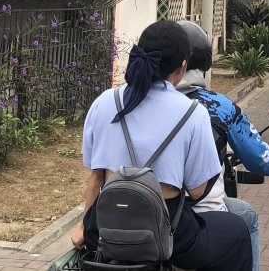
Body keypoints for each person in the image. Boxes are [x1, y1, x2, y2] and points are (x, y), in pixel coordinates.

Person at [71, 20, 252, 271]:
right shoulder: (192, 113)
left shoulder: (103, 102)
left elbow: (95, 177)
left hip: (105, 227)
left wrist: (84, 225)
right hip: (166, 233)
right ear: (182, 67)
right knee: (238, 231)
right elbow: (199, 191)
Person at [174, 20, 269, 271]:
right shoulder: (216, 106)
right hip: (191, 213)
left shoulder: (133, 103)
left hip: (144, 210)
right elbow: (259, 159)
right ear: (205, 61)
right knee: (246, 215)